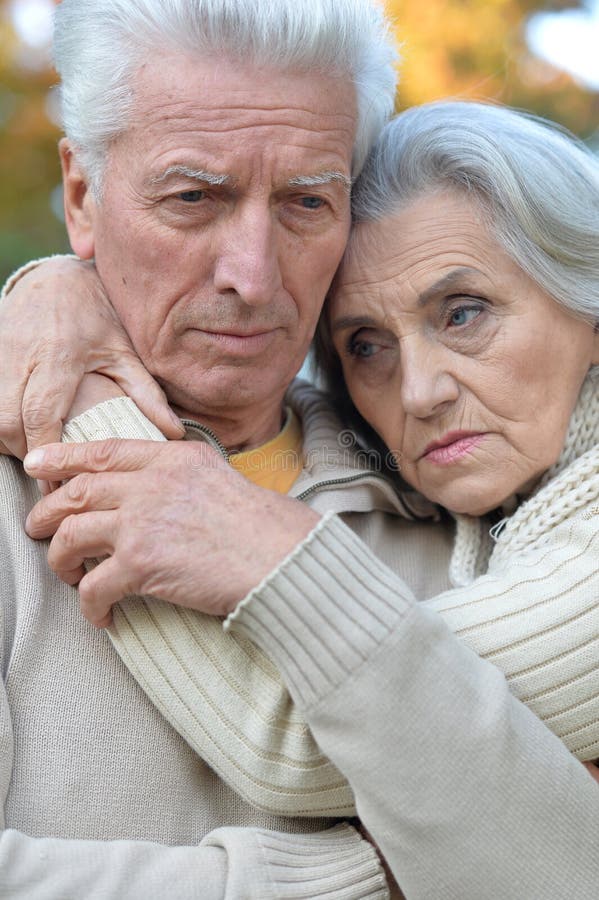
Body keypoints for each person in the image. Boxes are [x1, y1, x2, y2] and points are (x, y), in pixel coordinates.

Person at [3, 70, 599, 900]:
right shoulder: (471, 502)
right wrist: (58, 287)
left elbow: (295, 740)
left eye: (463, 313)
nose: (420, 391)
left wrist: (91, 415)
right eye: (364, 344)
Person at [0, 0, 409, 897]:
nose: (253, 276)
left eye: (307, 201)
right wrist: (375, 878)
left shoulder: (458, 493)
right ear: (82, 198)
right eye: (193, 198)